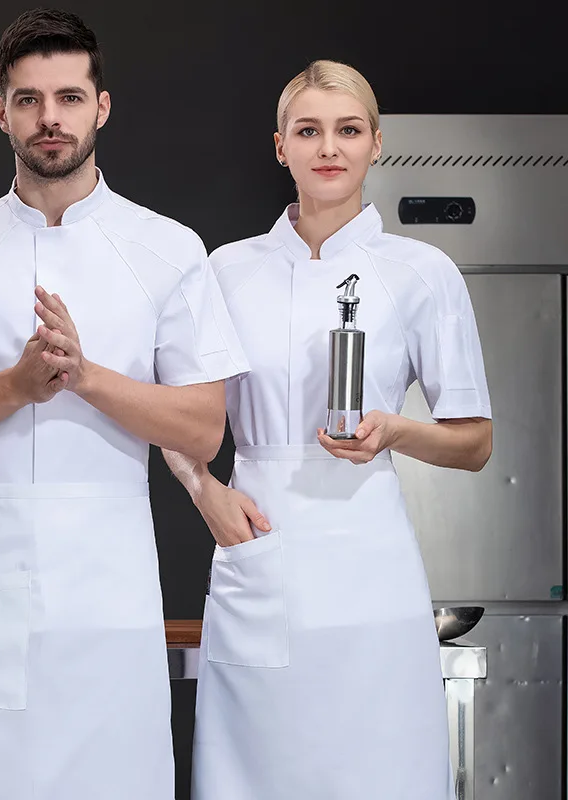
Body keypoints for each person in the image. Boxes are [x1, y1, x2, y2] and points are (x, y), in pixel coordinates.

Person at [0, 9, 248, 800]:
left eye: (69, 97)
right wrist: (12, 386)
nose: (50, 119)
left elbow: (202, 426)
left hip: (110, 586)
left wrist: (85, 375)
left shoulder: (168, 248)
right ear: (1, 111)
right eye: (29, 99)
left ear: (101, 106)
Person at [163, 59, 492, 800]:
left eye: (347, 130)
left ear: (377, 143)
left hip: (369, 571)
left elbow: (474, 442)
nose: (328, 148)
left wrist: (394, 434)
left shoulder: (421, 272)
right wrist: (201, 487)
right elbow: (176, 415)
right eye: (308, 130)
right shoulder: (225, 271)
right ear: (280, 146)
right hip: (259, 551)